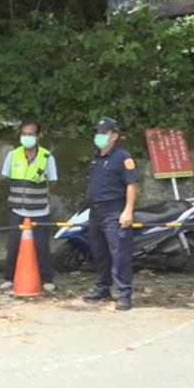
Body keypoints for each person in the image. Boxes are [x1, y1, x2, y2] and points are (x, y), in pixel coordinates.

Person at [83, 117, 140, 311]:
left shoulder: (123, 157)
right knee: (99, 253)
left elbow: (132, 184)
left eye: (104, 133)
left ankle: (124, 294)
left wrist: (128, 210)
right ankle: (103, 288)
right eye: (97, 133)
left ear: (114, 136)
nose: (99, 136)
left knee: (119, 253)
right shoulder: (95, 157)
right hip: (95, 212)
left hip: (114, 210)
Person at [0, 120, 58, 293]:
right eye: (24, 134)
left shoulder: (47, 157)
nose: (27, 137)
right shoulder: (13, 155)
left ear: (37, 136)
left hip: (40, 209)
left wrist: (41, 184)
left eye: (30, 134)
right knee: (13, 245)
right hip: (17, 208)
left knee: (42, 246)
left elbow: (53, 182)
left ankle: (47, 279)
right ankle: (9, 278)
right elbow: (7, 178)